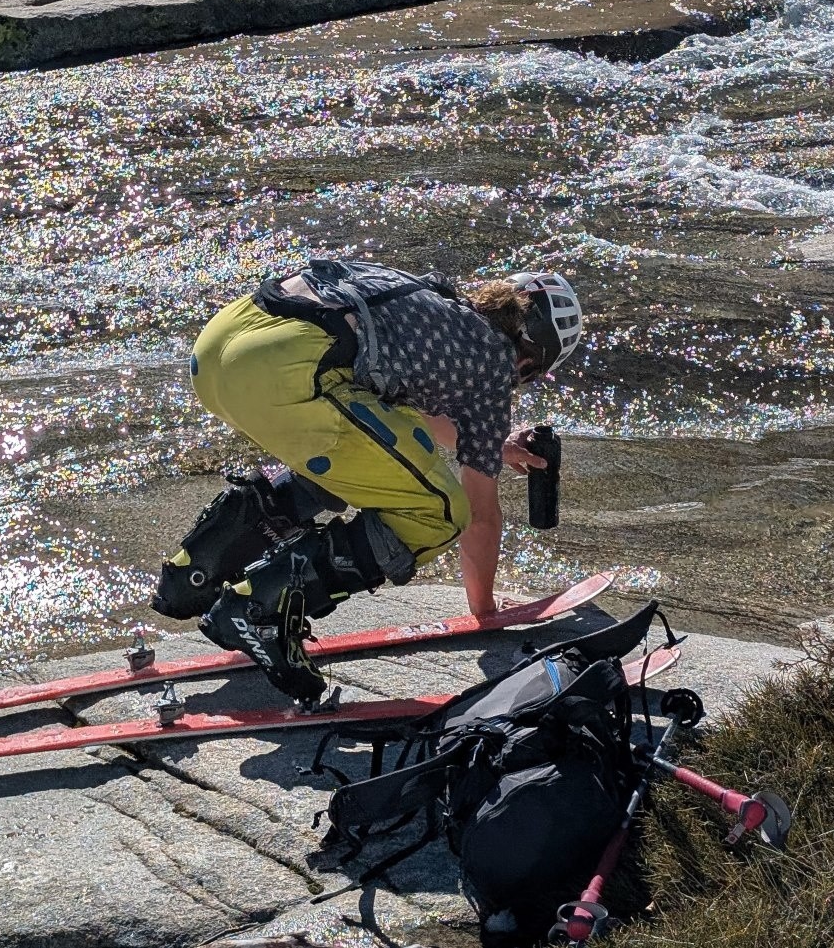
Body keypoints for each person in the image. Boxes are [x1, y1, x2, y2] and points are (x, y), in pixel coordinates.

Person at [151, 259, 584, 706]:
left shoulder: (436, 293)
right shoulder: (495, 362)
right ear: (529, 359)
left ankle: (196, 572)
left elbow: (412, 418)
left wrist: (494, 444)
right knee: (441, 511)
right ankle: (256, 610)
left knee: (367, 456)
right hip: (286, 372)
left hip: (223, 347)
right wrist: (486, 611)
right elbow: (480, 518)